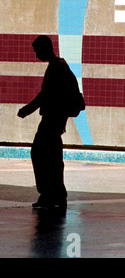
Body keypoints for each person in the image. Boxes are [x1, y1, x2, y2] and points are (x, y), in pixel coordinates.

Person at [18, 35, 75, 209]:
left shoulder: (56, 68)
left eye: (37, 51)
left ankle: (49, 194)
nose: (36, 56)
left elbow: (46, 95)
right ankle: (55, 194)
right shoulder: (57, 66)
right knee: (52, 157)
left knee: (41, 154)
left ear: (45, 48)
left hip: (52, 120)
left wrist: (28, 109)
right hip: (55, 120)